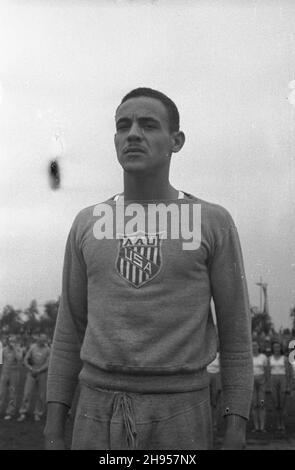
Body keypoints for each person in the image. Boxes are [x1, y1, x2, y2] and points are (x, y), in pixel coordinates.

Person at [44, 87, 253, 450]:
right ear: (115, 139)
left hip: (180, 410)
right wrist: (53, 429)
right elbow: (69, 331)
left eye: (148, 125)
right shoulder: (87, 223)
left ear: (177, 140)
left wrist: (236, 427)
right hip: (95, 410)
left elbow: (236, 336)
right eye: (123, 126)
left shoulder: (211, 221)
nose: (134, 134)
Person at [17, 334, 50, 422]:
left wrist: (39, 370)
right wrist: (31, 369)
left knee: (41, 395)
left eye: (44, 340)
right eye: (41, 340)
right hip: (31, 372)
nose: (43, 341)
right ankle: (23, 412)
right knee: (27, 393)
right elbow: (25, 360)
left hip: (42, 373)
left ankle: (37, 413)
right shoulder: (33, 347)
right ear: (38, 339)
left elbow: (48, 363)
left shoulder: (48, 350)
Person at [268, 341, 291, 432]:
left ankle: (282, 423)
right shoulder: (269, 359)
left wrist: (288, 386)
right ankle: (278, 423)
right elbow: (268, 373)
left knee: (282, 404)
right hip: (273, 380)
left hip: (283, 379)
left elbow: (288, 373)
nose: (276, 349)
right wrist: (268, 385)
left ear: (280, 348)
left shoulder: (285, 358)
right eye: (275, 347)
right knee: (276, 404)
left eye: (278, 347)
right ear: (272, 348)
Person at [0, 335, 23, 420]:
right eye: (10, 341)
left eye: (13, 341)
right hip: (5, 373)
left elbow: (19, 358)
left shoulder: (19, 349)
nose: (11, 343)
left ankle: (10, 412)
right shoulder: (4, 349)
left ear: (16, 342)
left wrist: (14, 349)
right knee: (1, 392)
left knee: (12, 394)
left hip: (14, 374)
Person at [251, 340, 268, 432]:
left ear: (258, 347)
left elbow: (266, 371)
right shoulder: (249, 357)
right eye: (252, 346)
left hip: (261, 383)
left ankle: (262, 427)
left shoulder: (263, 357)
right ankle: (256, 427)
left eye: (255, 345)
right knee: (254, 404)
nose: (254, 347)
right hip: (252, 383)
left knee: (261, 403)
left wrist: (265, 382)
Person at [207, 350, 221, 432]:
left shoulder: (219, 355)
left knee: (214, 403)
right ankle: (207, 424)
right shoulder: (206, 353)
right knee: (207, 402)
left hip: (216, 377)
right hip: (206, 376)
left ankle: (214, 424)